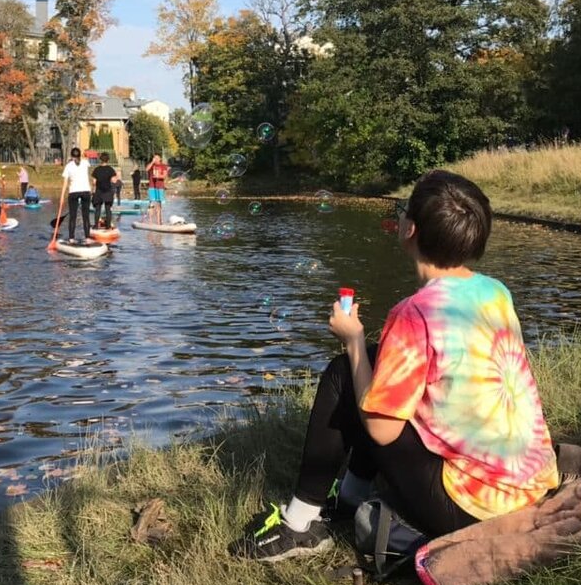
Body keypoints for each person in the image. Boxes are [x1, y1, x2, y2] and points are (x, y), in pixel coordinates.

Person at [234, 170, 560, 563]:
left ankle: (299, 525)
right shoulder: (494, 291)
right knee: (377, 364)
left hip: (471, 508)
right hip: (529, 487)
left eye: (404, 210)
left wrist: (353, 341)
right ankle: (350, 499)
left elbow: (380, 429)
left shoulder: (414, 313)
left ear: (410, 230)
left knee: (344, 373)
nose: (400, 216)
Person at [62, 147, 92, 244]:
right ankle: (87, 238)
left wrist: (62, 196)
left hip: (73, 192)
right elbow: (84, 159)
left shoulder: (68, 166)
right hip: (86, 191)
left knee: (73, 216)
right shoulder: (85, 163)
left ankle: (71, 238)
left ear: (71, 156)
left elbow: (65, 183)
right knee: (86, 216)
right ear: (79, 155)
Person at [91, 152, 119, 229]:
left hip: (99, 191)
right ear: (108, 160)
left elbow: (94, 182)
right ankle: (108, 226)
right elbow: (114, 181)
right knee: (108, 209)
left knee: (97, 209)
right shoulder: (110, 169)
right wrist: (116, 177)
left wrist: (93, 191)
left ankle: (96, 226)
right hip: (107, 191)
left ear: (100, 159)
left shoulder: (97, 169)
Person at [145, 154, 170, 225]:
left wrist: (158, 176)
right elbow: (146, 169)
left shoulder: (163, 166)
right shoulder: (151, 165)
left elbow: (164, 176)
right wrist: (152, 162)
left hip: (160, 187)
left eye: (156, 158)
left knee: (159, 203)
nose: (155, 159)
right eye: (154, 158)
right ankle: (150, 221)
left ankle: (159, 221)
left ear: (160, 159)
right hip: (152, 186)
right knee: (151, 203)